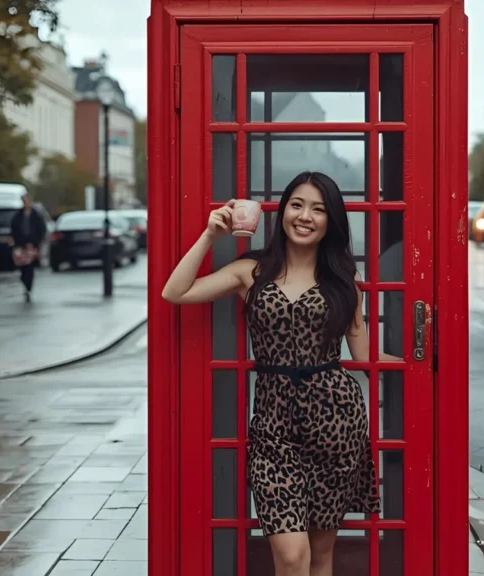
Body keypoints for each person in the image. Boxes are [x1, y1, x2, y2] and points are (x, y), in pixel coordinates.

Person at [163, 171, 381, 576]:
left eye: (318, 209)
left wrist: (418, 363)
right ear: (281, 212)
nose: (305, 216)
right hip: (274, 433)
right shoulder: (252, 271)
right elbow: (175, 293)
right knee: (291, 555)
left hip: (336, 426)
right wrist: (210, 235)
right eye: (297, 205)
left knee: (320, 555)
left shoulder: (344, 281)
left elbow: (364, 353)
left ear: (330, 221)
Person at [10, 194, 46, 302]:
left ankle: (28, 288)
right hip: (21, 245)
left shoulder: (36, 215)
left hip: (32, 245)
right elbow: (14, 230)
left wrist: (35, 242)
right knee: (22, 266)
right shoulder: (18, 216)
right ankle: (24, 282)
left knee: (30, 267)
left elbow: (41, 230)